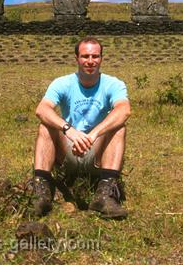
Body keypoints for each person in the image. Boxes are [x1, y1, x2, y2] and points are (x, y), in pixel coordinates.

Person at [31, 36, 131, 219]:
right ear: (76, 58)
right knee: (45, 126)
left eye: (95, 56)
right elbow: (42, 109)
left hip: (97, 152)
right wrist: (69, 130)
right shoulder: (62, 83)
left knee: (119, 127)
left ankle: (105, 195)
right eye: (85, 56)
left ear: (101, 58)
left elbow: (124, 110)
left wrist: (93, 135)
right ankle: (42, 192)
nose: (90, 61)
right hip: (68, 149)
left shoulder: (114, 84)